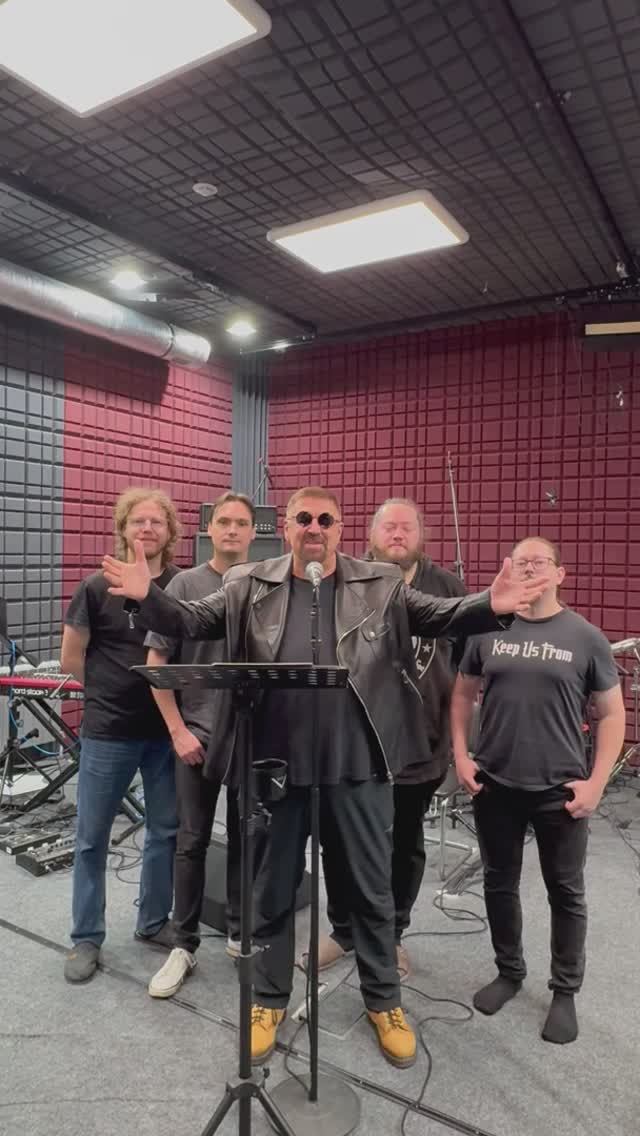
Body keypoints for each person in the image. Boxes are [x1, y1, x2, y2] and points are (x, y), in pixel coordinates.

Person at [101, 487, 549, 1068]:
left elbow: (441, 615)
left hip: (357, 764)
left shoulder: (380, 584)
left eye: (326, 519)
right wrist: (148, 598)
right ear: (286, 528)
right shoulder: (246, 584)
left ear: (340, 529)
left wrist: (492, 602)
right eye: (303, 519)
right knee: (271, 890)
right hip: (276, 766)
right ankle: (269, 999)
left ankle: (383, 1000)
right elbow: (188, 619)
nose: (314, 528)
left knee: (370, 890)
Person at [450, 536, 625, 1044]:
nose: (529, 568)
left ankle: (564, 990)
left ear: (560, 574)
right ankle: (509, 972)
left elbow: (612, 714)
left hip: (560, 790)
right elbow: (461, 695)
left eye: (539, 561)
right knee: (498, 883)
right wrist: (460, 755)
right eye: (521, 560)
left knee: (565, 891)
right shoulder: (488, 628)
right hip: (495, 783)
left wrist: (597, 783)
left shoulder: (586, 637)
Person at [318, 498, 466, 980]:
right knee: (340, 840)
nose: (398, 534)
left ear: (421, 535)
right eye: (389, 527)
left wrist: (459, 740)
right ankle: (343, 929)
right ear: (370, 533)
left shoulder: (446, 588)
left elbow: (466, 669)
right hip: (353, 741)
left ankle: (392, 934)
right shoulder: (345, 579)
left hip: (420, 742)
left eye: (407, 527)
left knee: (404, 842)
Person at [62, 488, 182, 984]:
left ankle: (153, 922)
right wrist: (108, 696)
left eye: (156, 521)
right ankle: (86, 937)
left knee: (165, 831)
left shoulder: (180, 586)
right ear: (123, 528)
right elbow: (72, 657)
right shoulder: (95, 587)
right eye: (138, 521)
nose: (147, 528)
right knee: (92, 837)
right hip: (108, 733)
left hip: (166, 733)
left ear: (169, 532)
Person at [145, 492, 257, 999]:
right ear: (209, 529)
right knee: (190, 841)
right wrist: (177, 730)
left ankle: (239, 932)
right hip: (196, 735)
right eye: (223, 522)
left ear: (253, 532)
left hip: (250, 739)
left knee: (245, 839)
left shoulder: (266, 584)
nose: (231, 530)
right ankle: (183, 944)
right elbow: (157, 663)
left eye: (241, 523)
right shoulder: (185, 585)